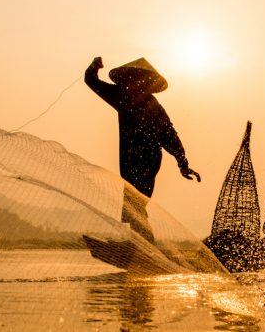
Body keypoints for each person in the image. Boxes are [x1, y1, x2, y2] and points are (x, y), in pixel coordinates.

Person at [85, 57, 200, 242]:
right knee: (133, 205)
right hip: (134, 159)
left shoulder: (137, 101)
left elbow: (169, 136)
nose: (135, 83)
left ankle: (142, 246)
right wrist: (93, 67)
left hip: (146, 158)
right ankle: (138, 245)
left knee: (134, 204)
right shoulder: (126, 96)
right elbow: (92, 81)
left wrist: (183, 163)